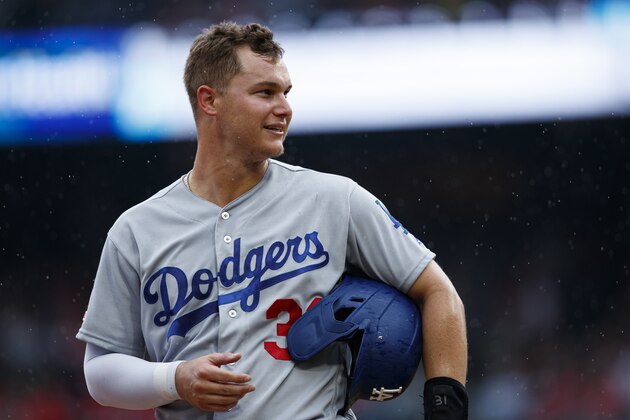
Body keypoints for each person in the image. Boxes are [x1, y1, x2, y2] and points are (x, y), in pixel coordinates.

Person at [76, 21, 468, 419]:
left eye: (285, 92)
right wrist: (174, 379)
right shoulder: (136, 230)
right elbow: (101, 371)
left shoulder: (334, 199)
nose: (284, 108)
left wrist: (445, 406)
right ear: (209, 100)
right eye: (265, 93)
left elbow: (438, 292)